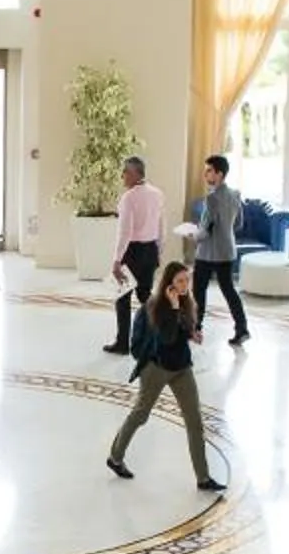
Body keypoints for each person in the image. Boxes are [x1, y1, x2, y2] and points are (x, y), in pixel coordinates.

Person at [106, 262, 222, 493]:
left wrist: (193, 334)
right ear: (169, 283)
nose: (185, 285)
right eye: (179, 281)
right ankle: (115, 457)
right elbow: (167, 338)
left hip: (182, 368)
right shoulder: (155, 306)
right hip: (156, 369)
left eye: (186, 280)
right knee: (140, 415)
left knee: (195, 422)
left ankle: (203, 477)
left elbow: (184, 330)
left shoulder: (187, 302)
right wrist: (173, 307)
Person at [183, 154, 253, 346]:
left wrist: (192, 235)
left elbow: (204, 230)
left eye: (209, 171)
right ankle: (242, 328)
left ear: (219, 174)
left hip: (208, 253)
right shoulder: (235, 195)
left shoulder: (212, 198)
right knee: (229, 291)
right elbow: (239, 224)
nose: (205, 175)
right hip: (227, 251)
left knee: (198, 292)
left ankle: (195, 328)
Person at [104, 157, 166, 356]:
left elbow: (125, 232)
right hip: (150, 251)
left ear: (134, 173)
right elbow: (160, 226)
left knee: (122, 298)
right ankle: (154, 340)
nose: (122, 176)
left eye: (125, 172)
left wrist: (116, 260)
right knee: (145, 296)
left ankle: (123, 343)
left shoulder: (129, 198)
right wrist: (159, 250)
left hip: (131, 253)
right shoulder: (157, 194)